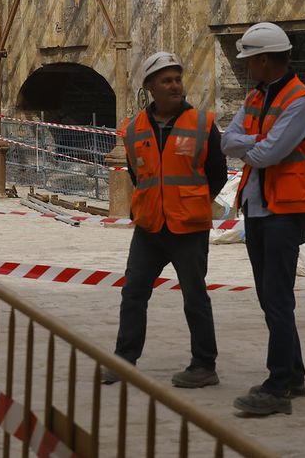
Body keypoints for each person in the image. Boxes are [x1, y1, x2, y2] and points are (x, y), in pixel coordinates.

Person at [103, 50, 226, 389]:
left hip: (188, 227)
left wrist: (191, 201)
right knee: (133, 293)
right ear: (150, 87)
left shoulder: (202, 124)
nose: (175, 86)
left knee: (195, 297)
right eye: (166, 81)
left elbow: (217, 174)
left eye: (177, 79)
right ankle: (124, 360)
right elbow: (137, 174)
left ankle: (204, 365)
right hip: (149, 227)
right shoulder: (134, 129)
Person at [221, 22, 305, 417]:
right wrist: (258, 145)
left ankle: (278, 385)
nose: (245, 66)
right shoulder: (256, 96)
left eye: (249, 60)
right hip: (258, 207)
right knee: (271, 299)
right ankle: (293, 375)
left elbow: (266, 155)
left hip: (284, 210)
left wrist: (252, 147)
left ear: (265, 60)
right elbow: (228, 141)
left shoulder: (301, 102)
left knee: (278, 299)